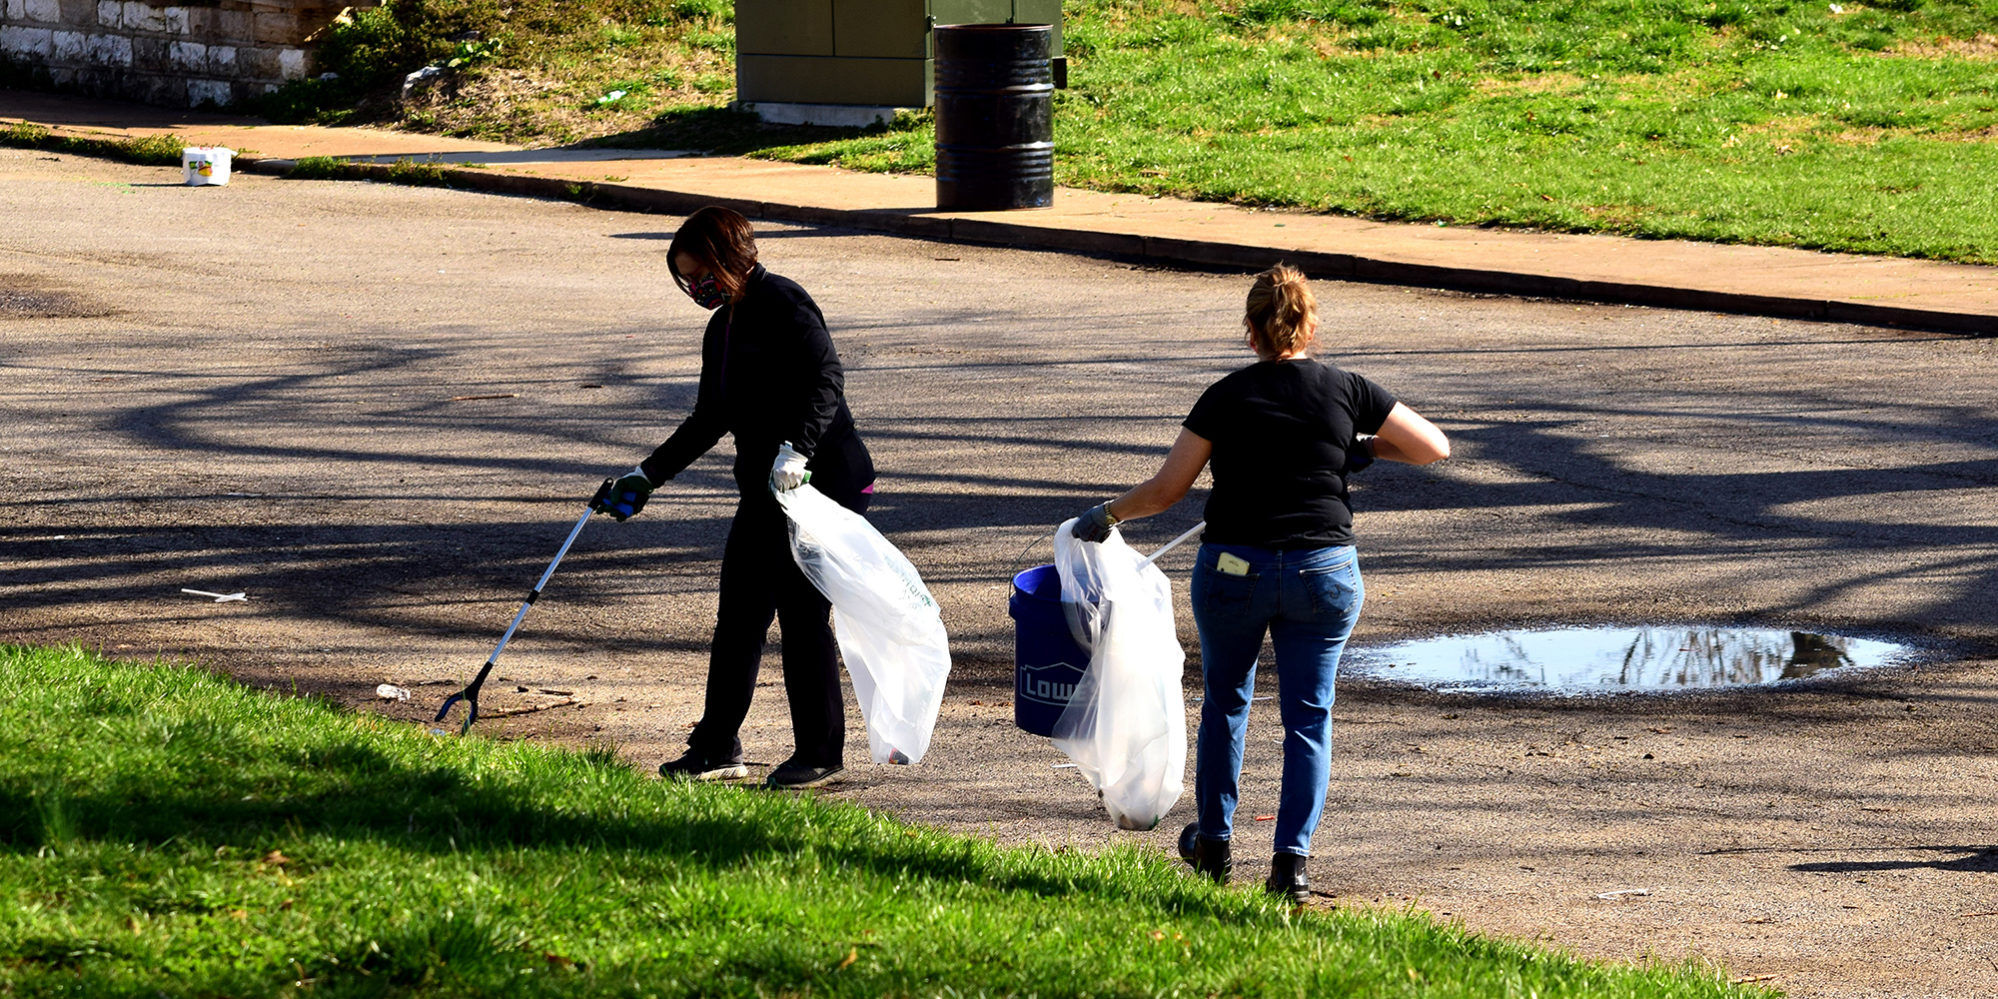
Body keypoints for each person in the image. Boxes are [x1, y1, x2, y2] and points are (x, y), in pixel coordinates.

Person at [1070, 264, 1449, 903]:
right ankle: (1291, 865)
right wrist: (1357, 447)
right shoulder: (1347, 389)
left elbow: (1167, 491)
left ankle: (1214, 844)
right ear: (1310, 324)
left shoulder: (1226, 395)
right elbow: (1432, 447)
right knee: (1308, 716)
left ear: (1251, 331)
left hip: (1232, 571)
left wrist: (1106, 514)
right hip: (1322, 572)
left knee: (1226, 702)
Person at [594, 206, 875, 790]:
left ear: (733, 258)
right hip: (764, 489)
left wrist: (796, 451)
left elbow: (826, 380)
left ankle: (820, 753)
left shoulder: (785, 303)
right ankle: (717, 747)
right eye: (686, 279)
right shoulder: (722, 328)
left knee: (801, 615)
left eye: (702, 275)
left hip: (822, 481)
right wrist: (646, 477)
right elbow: (709, 417)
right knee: (741, 614)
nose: (697, 288)